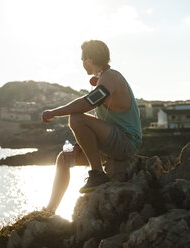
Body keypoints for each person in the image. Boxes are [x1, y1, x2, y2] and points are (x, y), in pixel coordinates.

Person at [41, 40, 142, 213]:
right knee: (64, 158)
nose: (82, 63)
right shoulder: (103, 78)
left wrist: (54, 112)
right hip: (110, 141)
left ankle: (97, 174)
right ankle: (49, 211)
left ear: (88, 59)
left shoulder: (111, 77)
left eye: (82, 59)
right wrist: (85, 144)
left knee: (77, 118)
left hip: (126, 142)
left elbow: (88, 103)